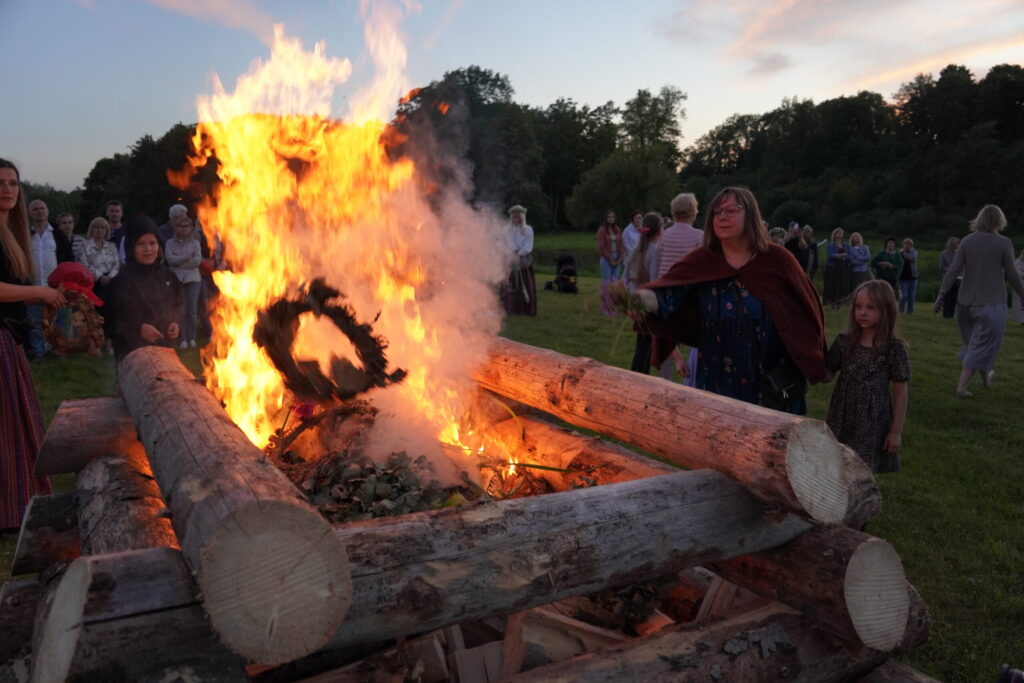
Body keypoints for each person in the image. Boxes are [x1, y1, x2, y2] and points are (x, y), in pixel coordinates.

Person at [638, 186, 827, 414]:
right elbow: (666, 296)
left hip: (771, 384)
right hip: (717, 379)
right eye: (717, 212)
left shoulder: (778, 260)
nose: (722, 217)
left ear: (751, 215)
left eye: (731, 210)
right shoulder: (703, 260)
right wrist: (637, 299)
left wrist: (810, 353)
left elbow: (805, 307)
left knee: (773, 445)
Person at [0, 158, 62, 529]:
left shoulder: (10, 230)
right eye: (0, 182)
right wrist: (40, 291)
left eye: (13, 183)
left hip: (8, 338)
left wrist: (53, 294)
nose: (7, 189)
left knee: (12, 424)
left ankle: (16, 505)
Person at [933, 204, 1024, 398]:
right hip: (992, 304)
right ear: (1000, 220)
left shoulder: (967, 241)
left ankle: (986, 376)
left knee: (977, 343)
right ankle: (962, 387)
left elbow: (953, 271)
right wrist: (1023, 295)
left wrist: (941, 295)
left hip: (965, 303)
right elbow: (1013, 275)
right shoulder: (1004, 243)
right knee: (982, 345)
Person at [826, 280, 910, 474]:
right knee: (836, 465)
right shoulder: (844, 342)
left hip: (872, 422)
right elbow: (827, 373)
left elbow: (900, 393)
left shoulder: (893, 349)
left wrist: (896, 431)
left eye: (871, 307)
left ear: (886, 310)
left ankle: (861, 502)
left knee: (861, 470)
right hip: (842, 416)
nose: (862, 312)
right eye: (858, 306)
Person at [105, 215, 182, 362]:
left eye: (152, 243)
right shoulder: (120, 282)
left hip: (165, 351)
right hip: (131, 355)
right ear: (130, 247)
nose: (148, 249)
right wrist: (137, 329)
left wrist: (176, 323)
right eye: (141, 244)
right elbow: (109, 322)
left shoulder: (168, 277)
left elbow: (177, 305)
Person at [655, 193, 703, 381]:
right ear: (693, 211)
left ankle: (664, 383)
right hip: (690, 296)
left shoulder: (663, 236)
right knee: (693, 341)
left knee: (666, 340)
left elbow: (658, 264)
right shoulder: (699, 236)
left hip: (666, 293)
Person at [624, 212, 662, 374]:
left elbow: (626, 276)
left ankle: (638, 371)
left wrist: (633, 295)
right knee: (646, 342)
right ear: (660, 230)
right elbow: (655, 280)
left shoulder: (637, 249)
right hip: (648, 300)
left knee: (643, 340)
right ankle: (640, 373)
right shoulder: (654, 251)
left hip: (636, 299)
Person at [164, 210, 202, 348]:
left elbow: (197, 261)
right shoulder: (170, 243)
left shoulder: (195, 243)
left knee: (192, 310)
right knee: (181, 309)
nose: (184, 229)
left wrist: (180, 262)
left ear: (191, 228)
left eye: (187, 226)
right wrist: (186, 258)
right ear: (177, 227)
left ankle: (192, 337)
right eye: (182, 226)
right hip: (177, 279)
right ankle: (183, 338)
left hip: (193, 279)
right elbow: (170, 260)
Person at [26, 199, 59, 357]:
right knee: (35, 322)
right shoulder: (25, 234)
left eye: (42, 208)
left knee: (56, 320)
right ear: (29, 213)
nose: (39, 211)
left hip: (54, 287)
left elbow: (66, 259)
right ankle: (39, 352)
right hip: (32, 285)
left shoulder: (57, 234)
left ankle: (58, 349)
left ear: (47, 211)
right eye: (35, 209)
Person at [500, 205, 536, 317]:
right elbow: (503, 243)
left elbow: (528, 245)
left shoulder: (528, 229)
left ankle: (524, 309)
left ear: (522, 216)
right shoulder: (506, 230)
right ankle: (507, 308)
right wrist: (510, 253)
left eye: (518, 215)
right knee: (508, 283)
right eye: (514, 216)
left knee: (524, 283)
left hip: (523, 260)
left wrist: (519, 253)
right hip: (509, 258)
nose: (516, 218)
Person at [824, 228, 852, 308]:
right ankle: (832, 301)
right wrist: (839, 255)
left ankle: (840, 302)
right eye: (838, 232)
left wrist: (844, 257)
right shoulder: (830, 244)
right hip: (833, 267)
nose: (840, 234)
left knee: (841, 284)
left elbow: (850, 256)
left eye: (841, 232)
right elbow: (830, 255)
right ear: (834, 234)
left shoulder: (846, 245)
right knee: (833, 284)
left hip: (843, 267)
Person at [596, 210, 624, 283]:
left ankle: (613, 294)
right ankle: (605, 294)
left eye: (613, 217)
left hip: (617, 256)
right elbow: (602, 248)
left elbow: (621, 244)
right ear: (606, 219)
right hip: (606, 257)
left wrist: (620, 258)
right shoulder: (602, 230)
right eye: (609, 217)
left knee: (614, 281)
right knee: (606, 281)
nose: (611, 218)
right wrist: (610, 259)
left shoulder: (617, 230)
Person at [937, 237, 961, 319]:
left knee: (954, 297)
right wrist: (951, 271)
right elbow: (941, 267)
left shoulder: (958, 254)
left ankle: (951, 313)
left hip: (957, 279)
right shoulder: (943, 254)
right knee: (947, 297)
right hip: (947, 279)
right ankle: (946, 314)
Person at [898, 238, 919, 313]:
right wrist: (902, 253)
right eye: (906, 244)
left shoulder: (914, 252)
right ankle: (901, 310)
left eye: (909, 244)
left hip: (913, 277)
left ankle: (910, 312)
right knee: (904, 296)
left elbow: (912, 258)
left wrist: (903, 253)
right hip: (903, 277)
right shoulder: (899, 253)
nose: (907, 246)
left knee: (911, 296)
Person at [1014, 247, 1024, 325]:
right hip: (1020, 286)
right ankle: (1021, 320)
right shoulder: (1017, 262)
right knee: (1020, 304)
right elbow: (1017, 274)